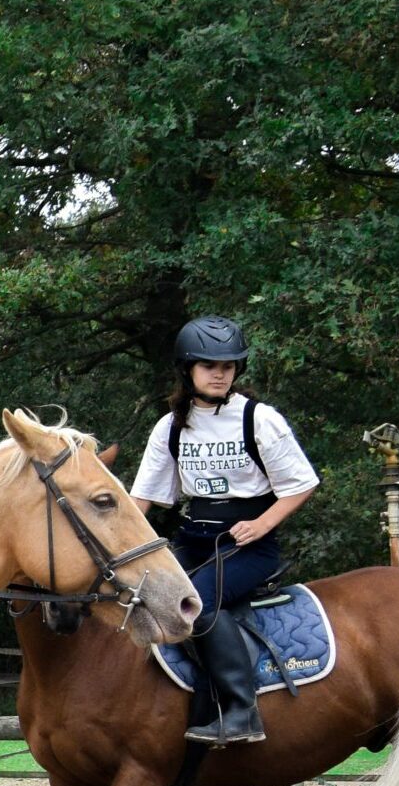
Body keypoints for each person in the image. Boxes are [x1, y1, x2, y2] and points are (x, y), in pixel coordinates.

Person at [129, 315, 318, 745]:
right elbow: (142, 500)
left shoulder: (258, 418)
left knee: (199, 604)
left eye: (229, 366)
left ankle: (241, 710)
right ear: (187, 369)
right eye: (210, 365)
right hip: (195, 539)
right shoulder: (171, 426)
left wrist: (262, 522)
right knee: (139, 592)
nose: (220, 373)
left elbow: (301, 483)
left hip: (248, 545)